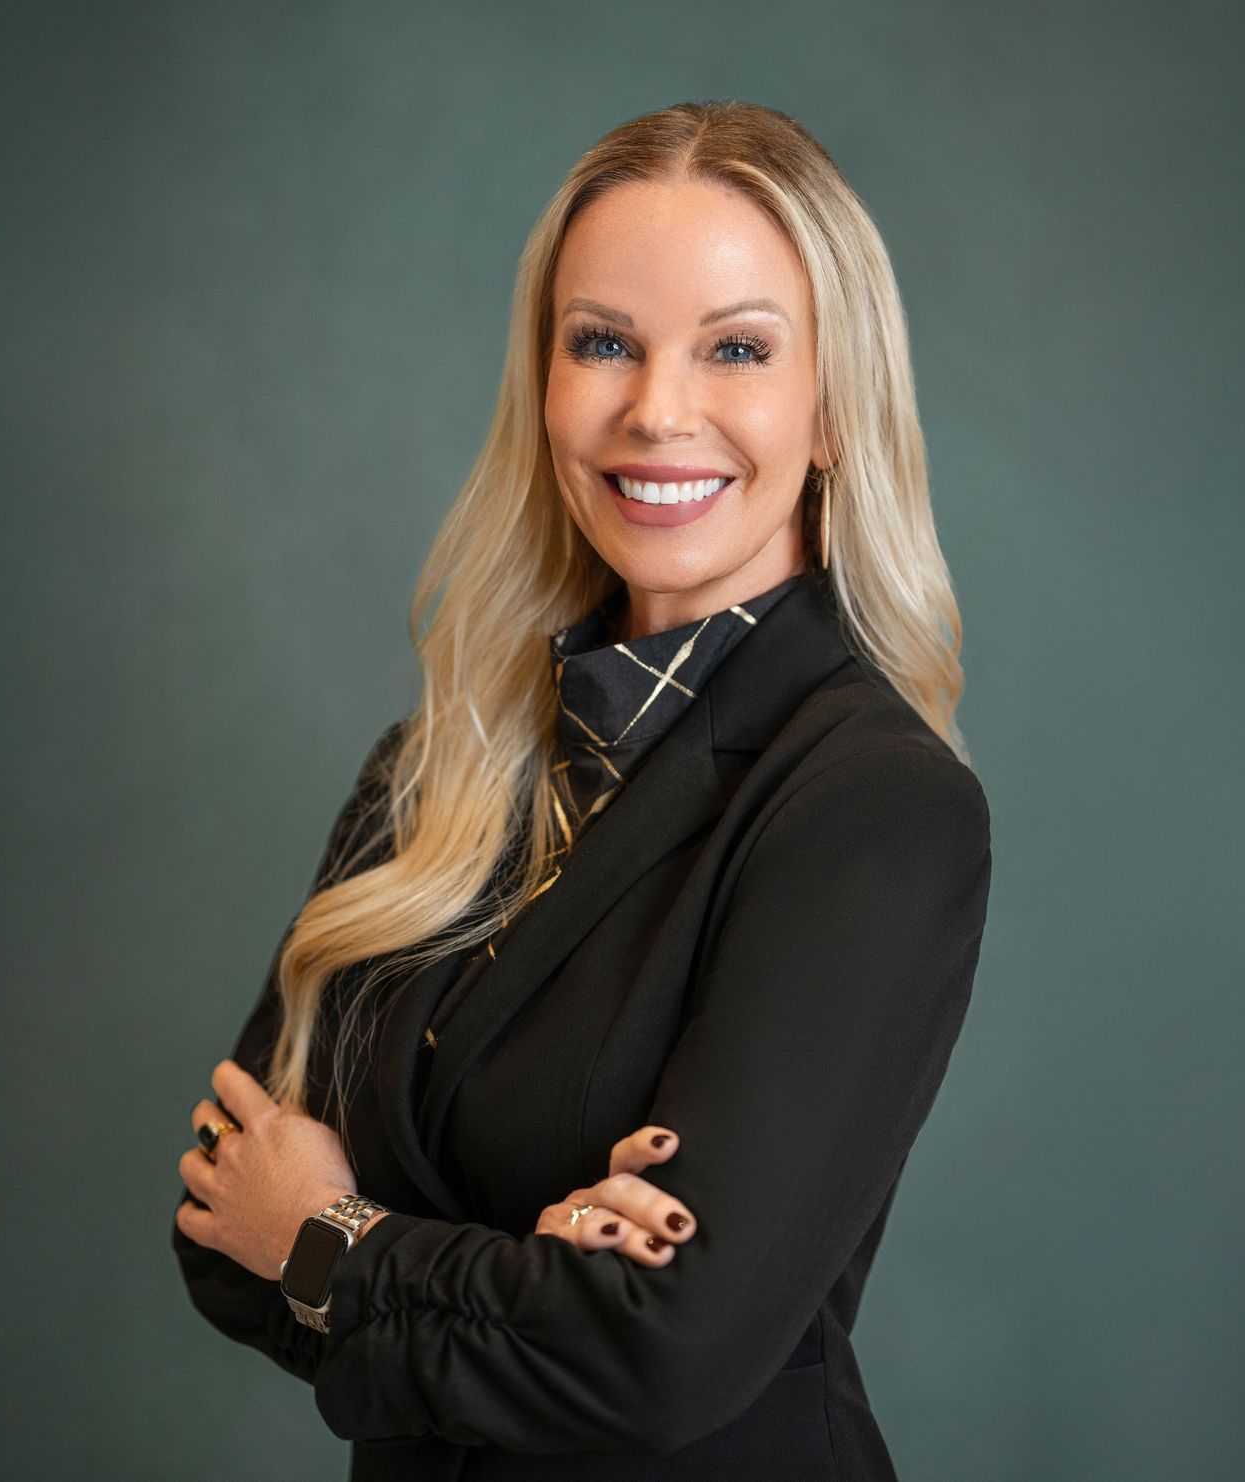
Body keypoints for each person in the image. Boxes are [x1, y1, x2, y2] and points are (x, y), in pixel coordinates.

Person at [170, 98, 993, 1481]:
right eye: (602, 341)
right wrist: (517, 1272)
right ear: (543, 383)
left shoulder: (872, 805)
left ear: (835, 405)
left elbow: (653, 1355)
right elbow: (217, 1229)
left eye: (736, 348)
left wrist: (337, 1234)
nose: (655, 408)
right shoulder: (433, 770)